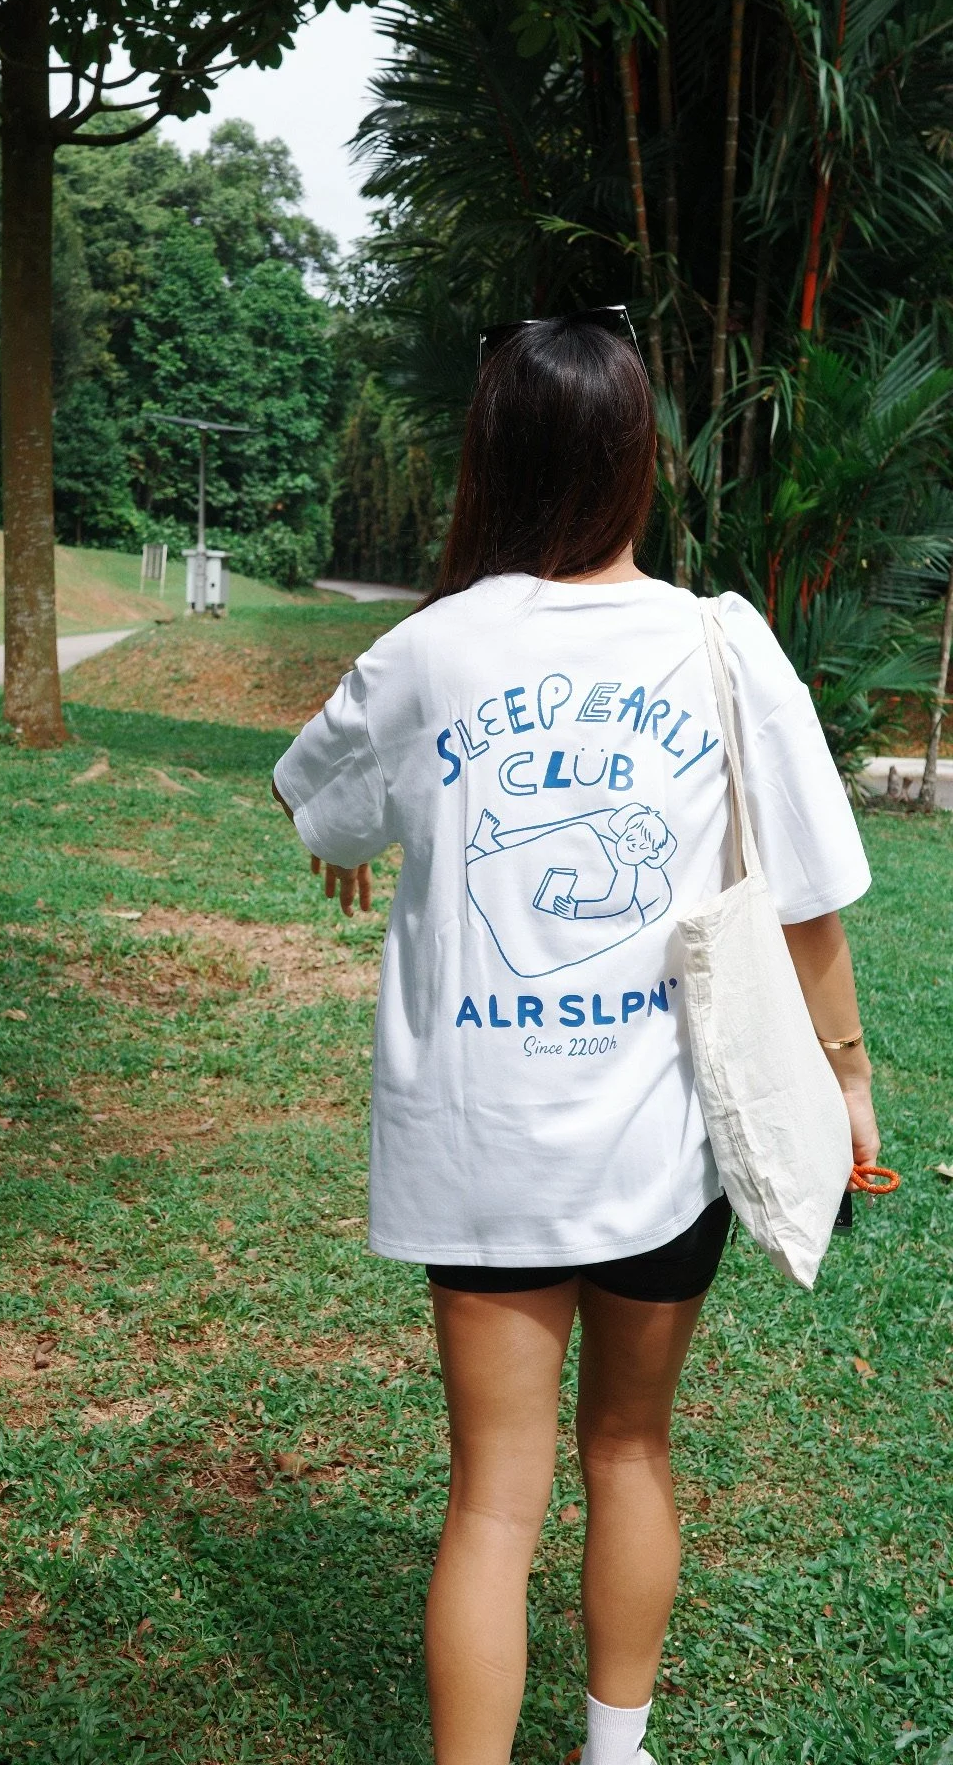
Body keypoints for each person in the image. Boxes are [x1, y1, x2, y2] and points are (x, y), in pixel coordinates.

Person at [271, 313, 880, 1765]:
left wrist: (348, 844)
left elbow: (315, 800)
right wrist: (850, 1080)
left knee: (493, 1494)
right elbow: (809, 905)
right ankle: (619, 1752)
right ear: (636, 463)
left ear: (492, 456)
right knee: (629, 1448)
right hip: (662, 1148)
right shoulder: (719, 645)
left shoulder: (427, 654)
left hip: (480, 1151)